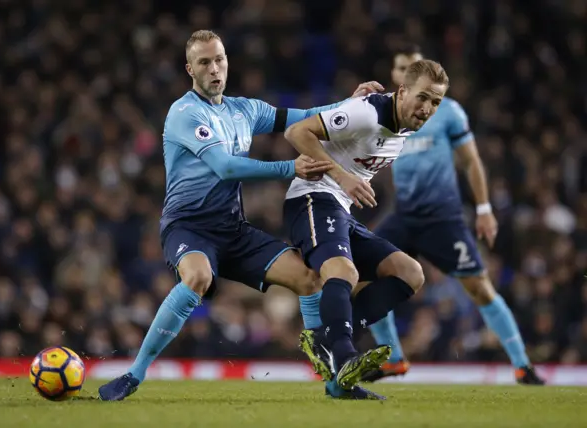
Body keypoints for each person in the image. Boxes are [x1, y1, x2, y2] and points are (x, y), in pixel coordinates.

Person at [98, 30, 385, 401]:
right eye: (204, 62)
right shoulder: (184, 113)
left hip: (233, 230)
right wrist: (290, 168)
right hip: (189, 226)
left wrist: (350, 103)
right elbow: (225, 168)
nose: (214, 68)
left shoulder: (244, 110)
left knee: (310, 278)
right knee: (198, 277)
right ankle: (134, 374)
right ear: (190, 69)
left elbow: (306, 116)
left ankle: (333, 381)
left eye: (219, 60)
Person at [363, 45, 544, 385]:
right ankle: (394, 358)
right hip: (403, 215)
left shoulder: (447, 113)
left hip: (441, 218)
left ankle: (523, 365)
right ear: (395, 75)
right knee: (362, 273)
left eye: (413, 67)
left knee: (478, 287)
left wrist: (484, 208)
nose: (406, 72)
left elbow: (471, 161)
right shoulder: (379, 111)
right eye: (402, 67)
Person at [283, 59, 450, 398]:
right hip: (311, 199)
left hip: (340, 210)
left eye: (435, 102)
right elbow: (296, 132)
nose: (427, 108)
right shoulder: (367, 112)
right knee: (344, 272)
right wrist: (342, 176)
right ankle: (344, 356)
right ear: (402, 91)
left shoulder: (401, 130)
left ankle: (329, 341)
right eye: (422, 98)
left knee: (410, 273)